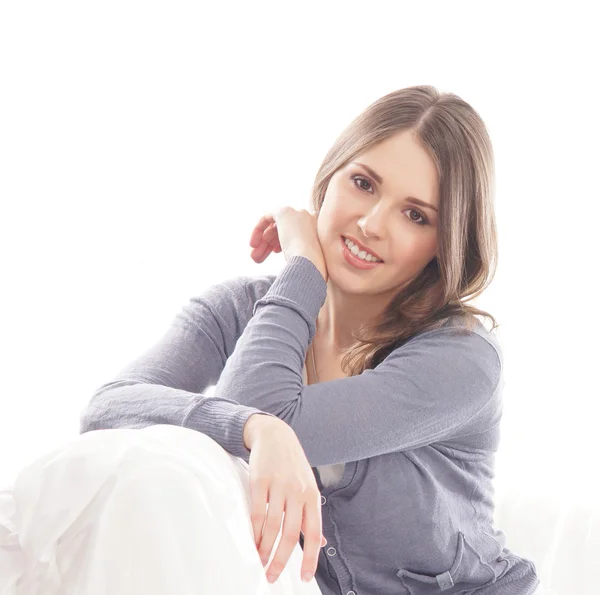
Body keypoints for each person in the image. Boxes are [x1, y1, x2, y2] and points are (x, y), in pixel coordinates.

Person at [0, 85, 542, 594]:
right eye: (363, 183)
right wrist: (256, 428)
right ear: (329, 176)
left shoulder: (462, 358)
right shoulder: (240, 307)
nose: (372, 223)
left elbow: (263, 402)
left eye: (415, 215)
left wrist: (303, 267)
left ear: (444, 243)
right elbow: (109, 408)